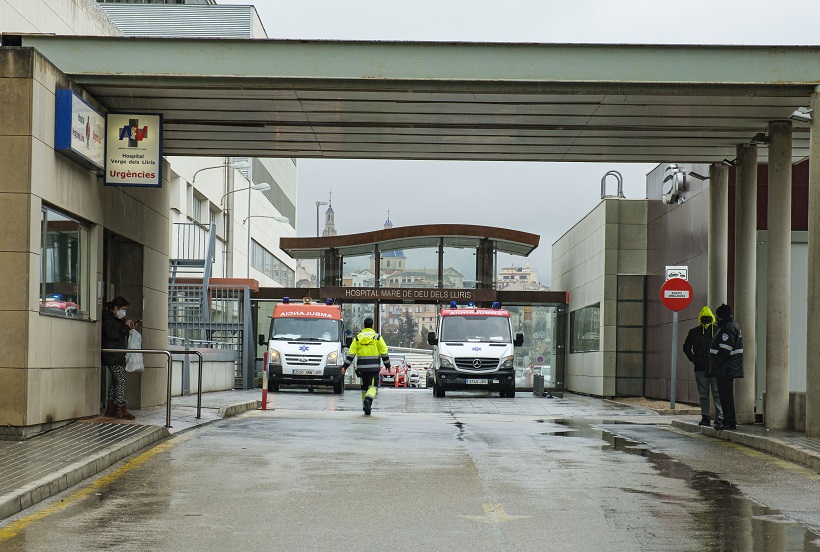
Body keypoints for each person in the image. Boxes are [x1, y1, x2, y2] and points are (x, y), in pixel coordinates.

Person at [682, 306, 723, 427]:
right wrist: (694, 359)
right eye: (704, 318)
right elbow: (686, 347)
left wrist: (694, 359)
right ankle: (712, 416)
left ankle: (714, 416)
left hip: (710, 368)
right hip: (704, 368)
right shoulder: (698, 332)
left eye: (707, 318)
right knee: (709, 394)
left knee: (711, 394)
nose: (705, 320)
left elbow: (686, 347)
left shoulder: (714, 331)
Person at [341, 317, 390, 415]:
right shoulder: (377, 337)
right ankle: (368, 400)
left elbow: (351, 353)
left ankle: (365, 407)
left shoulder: (358, 337)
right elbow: (384, 351)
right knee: (373, 387)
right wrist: (387, 364)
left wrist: (344, 367)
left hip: (362, 368)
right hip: (373, 368)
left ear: (364, 326)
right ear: (372, 326)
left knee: (364, 388)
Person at [101, 296, 138, 420]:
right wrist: (126, 327)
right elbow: (113, 335)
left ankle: (111, 408)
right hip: (112, 355)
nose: (124, 312)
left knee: (115, 381)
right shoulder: (107, 318)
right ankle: (120, 408)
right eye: (123, 309)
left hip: (118, 355)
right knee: (121, 379)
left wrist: (127, 326)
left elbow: (120, 333)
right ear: (116, 308)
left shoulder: (118, 319)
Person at [709, 303, 744, 430]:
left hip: (725, 369)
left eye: (717, 316)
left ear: (721, 317)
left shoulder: (728, 329)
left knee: (725, 396)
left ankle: (729, 422)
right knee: (726, 396)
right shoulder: (731, 326)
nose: (716, 319)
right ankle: (729, 421)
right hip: (727, 368)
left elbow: (724, 350)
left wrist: (716, 366)